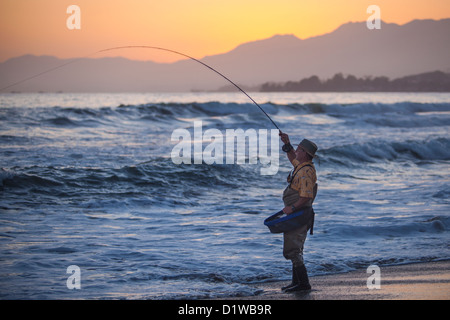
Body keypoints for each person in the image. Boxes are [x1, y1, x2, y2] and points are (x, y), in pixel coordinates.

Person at [278, 132, 318, 292]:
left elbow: (306, 196)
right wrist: (287, 143)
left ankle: (303, 284)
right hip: (296, 215)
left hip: (299, 214)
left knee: (294, 249)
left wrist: (292, 208)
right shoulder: (301, 166)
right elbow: (293, 158)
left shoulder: (306, 172)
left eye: (299, 150)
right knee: (294, 246)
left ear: (306, 154)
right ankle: (296, 282)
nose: (297, 151)